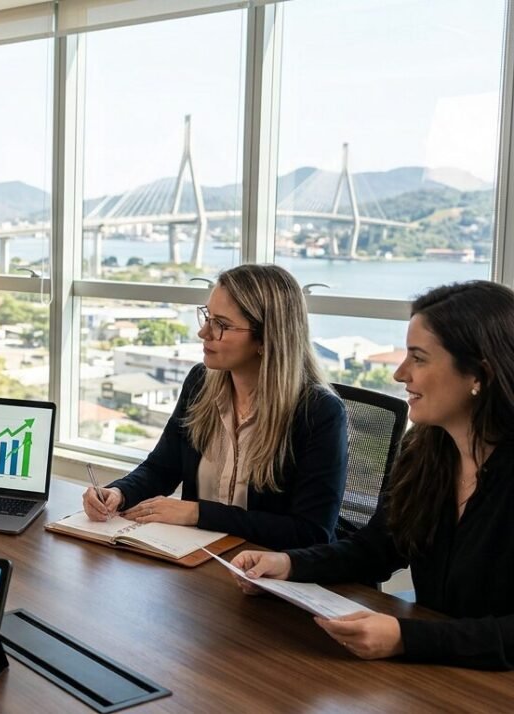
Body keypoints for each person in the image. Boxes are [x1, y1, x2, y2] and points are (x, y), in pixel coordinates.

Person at [232, 281, 514, 670]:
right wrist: (290, 565)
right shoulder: (426, 450)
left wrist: (405, 638)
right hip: (437, 674)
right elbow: (376, 549)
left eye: (418, 358)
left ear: (479, 374)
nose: (400, 373)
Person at [82, 264, 347, 550]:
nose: (203, 332)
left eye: (222, 324)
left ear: (266, 338)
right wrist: (119, 492)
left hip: (266, 567)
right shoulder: (200, 383)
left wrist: (199, 514)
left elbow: (311, 532)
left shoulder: (318, 412)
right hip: (197, 557)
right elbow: (161, 468)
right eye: (208, 317)